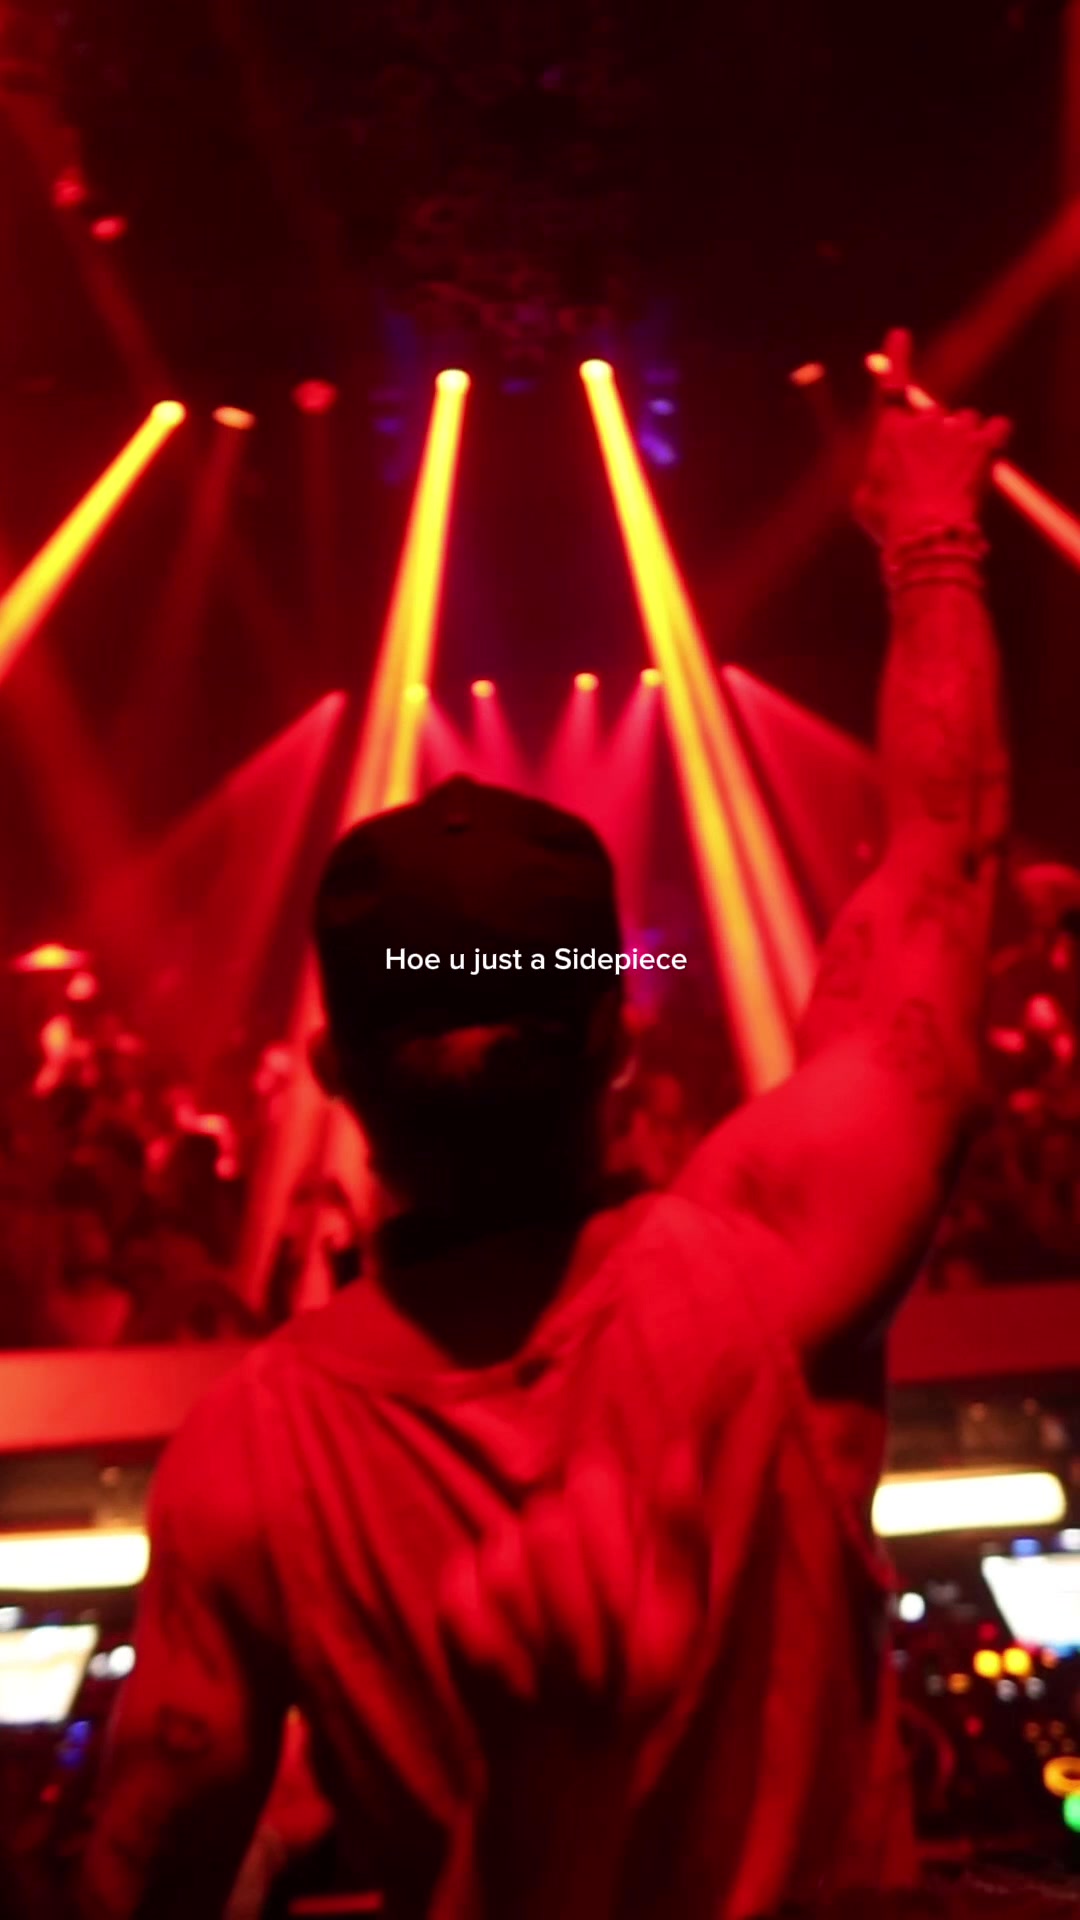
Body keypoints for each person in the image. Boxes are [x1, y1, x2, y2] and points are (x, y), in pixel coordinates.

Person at [80, 331, 1012, 1920]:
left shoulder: (248, 1462)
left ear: (334, 1069)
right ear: (614, 1039)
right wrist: (929, 532)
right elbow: (946, 858)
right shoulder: (776, 1267)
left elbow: (139, 1882)